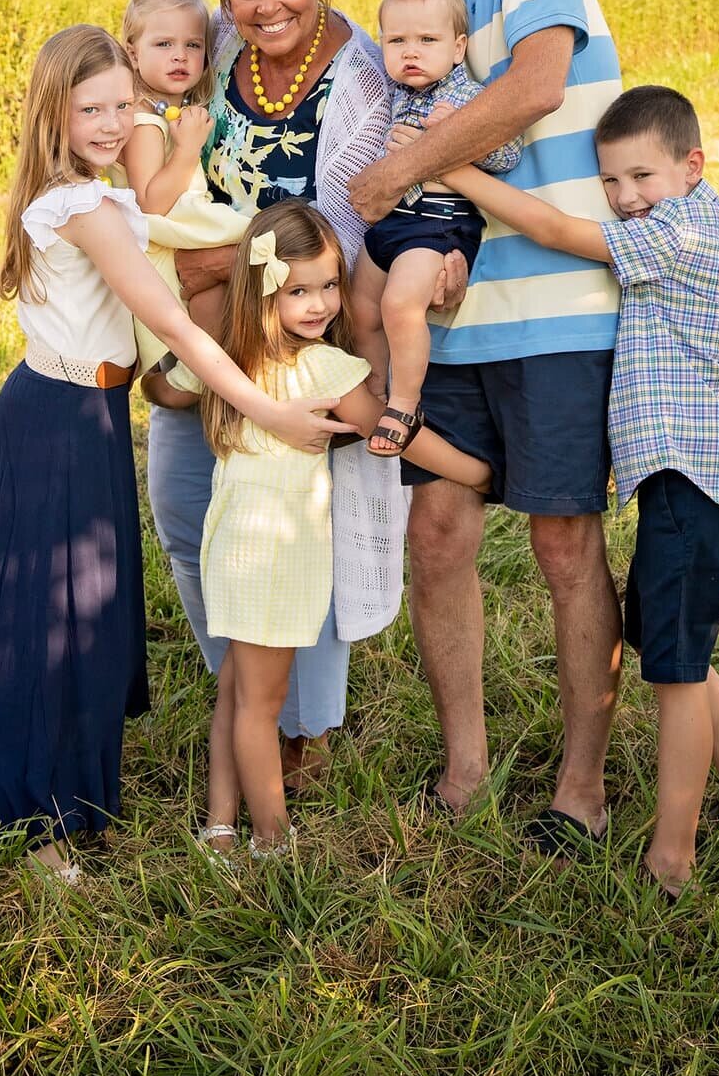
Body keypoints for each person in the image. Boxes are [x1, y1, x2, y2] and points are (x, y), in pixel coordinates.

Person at [0, 25, 339, 883]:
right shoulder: (80, 205)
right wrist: (269, 406)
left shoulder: (95, 191)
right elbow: (168, 318)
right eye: (92, 107)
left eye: (124, 103)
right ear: (55, 109)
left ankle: (69, 800)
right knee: (58, 615)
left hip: (87, 409)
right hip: (59, 413)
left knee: (85, 607)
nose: (115, 121)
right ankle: (41, 823)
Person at [302, 0, 623, 849]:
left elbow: (535, 84)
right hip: (443, 320)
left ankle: (581, 782)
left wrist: (400, 171)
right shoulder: (397, 23)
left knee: (564, 542)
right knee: (437, 537)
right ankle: (465, 765)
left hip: (560, 298)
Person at [145, 0, 468, 788]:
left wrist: (230, 261)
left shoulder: (362, 69)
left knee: (304, 532)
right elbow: (140, 103)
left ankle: (307, 725)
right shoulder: (211, 52)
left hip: (303, 331)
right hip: (203, 325)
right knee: (184, 510)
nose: (266, 2)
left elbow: (359, 206)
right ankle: (244, 694)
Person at [445, 85, 719, 891]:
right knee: (674, 643)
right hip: (682, 473)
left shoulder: (680, 229)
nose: (628, 198)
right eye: (612, 183)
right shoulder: (688, 215)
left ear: (691, 166)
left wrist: (454, 164)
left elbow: (556, 230)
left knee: (672, 670)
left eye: (643, 176)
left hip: (691, 468)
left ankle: (673, 855)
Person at [173, 200, 492, 858]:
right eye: (298, 290)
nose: (319, 304)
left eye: (327, 284)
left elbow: (168, 387)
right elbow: (390, 428)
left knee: (237, 688)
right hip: (273, 556)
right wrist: (478, 471)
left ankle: (221, 823)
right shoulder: (318, 367)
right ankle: (271, 835)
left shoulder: (233, 361)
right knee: (261, 705)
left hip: (232, 543)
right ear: (264, 291)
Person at [351, 0, 520, 459]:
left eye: (427, 40)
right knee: (362, 309)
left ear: (458, 46)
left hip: (439, 222)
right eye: (397, 40)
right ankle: (378, 391)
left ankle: (406, 404)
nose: (411, 52)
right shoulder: (392, 88)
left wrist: (456, 137)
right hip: (390, 224)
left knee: (399, 304)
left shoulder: (467, 98)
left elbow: (508, 153)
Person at [116, 0, 221, 393]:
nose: (180, 56)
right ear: (133, 52)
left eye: (192, 45)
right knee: (250, 253)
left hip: (180, 226)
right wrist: (187, 150)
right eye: (164, 44)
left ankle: (207, 373)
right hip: (162, 238)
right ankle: (192, 377)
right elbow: (149, 204)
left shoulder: (166, 111)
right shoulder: (145, 121)